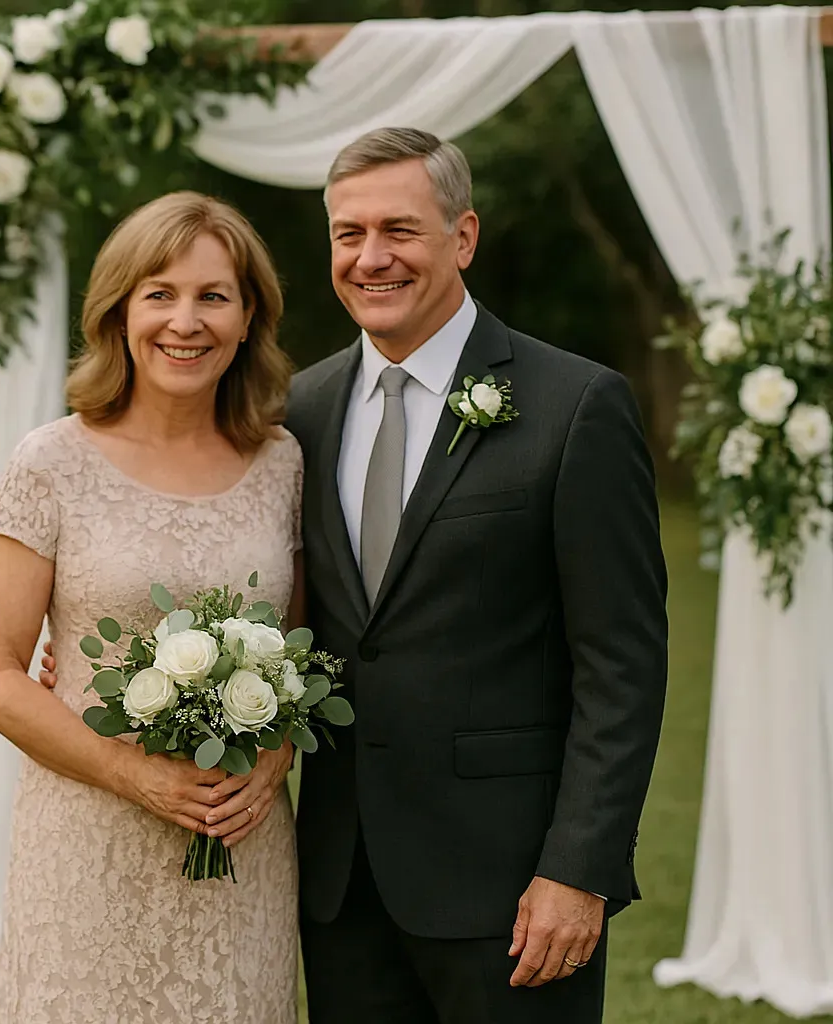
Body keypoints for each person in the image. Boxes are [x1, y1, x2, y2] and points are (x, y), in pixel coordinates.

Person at [282, 127, 669, 1022]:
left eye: (399, 230)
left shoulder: (576, 406)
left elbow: (622, 663)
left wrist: (580, 869)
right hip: (342, 887)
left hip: (514, 892)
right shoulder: (299, 411)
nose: (370, 258)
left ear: (463, 237)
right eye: (348, 234)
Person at [0, 191, 303, 1024]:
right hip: (88, 843)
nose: (184, 322)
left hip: (240, 845)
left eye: (213, 296)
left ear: (248, 318)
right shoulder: (50, 462)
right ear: (119, 311)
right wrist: (140, 777)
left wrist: (271, 762)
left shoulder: (283, 463)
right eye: (160, 293)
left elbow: (302, 653)